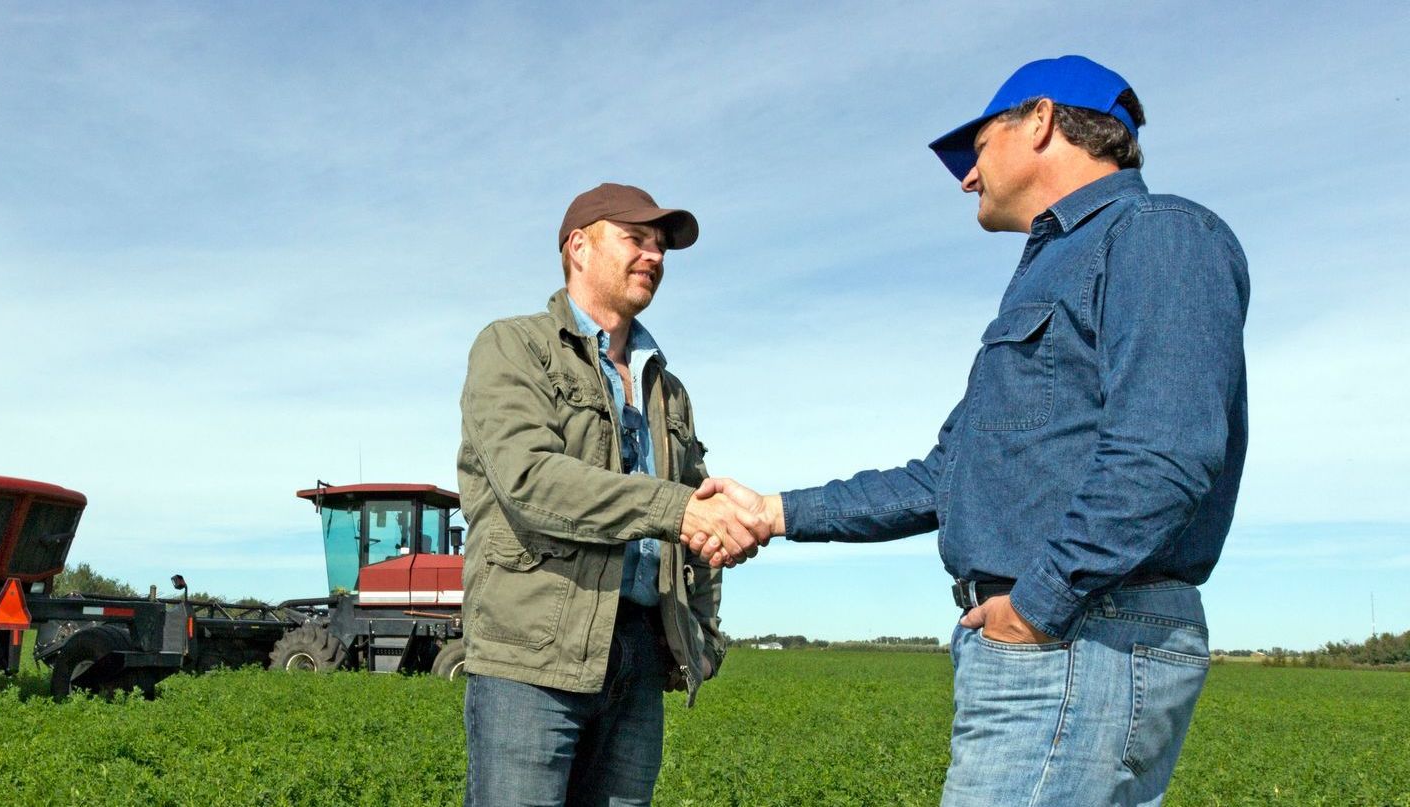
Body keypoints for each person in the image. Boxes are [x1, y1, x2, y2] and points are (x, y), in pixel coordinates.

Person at [695, 56, 1249, 806]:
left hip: (1083, 635)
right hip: (1062, 637)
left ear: (1043, 120)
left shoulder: (1158, 234)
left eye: (977, 146)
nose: (965, 176)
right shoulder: (1052, 267)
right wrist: (775, 511)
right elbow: (943, 476)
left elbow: (1165, 451)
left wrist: (1037, 607)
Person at [456, 182, 769, 806]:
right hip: (533, 655)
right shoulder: (515, 347)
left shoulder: (668, 389)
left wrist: (701, 626)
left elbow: (696, 505)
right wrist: (679, 510)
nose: (653, 255)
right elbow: (530, 481)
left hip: (638, 651)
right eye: (636, 239)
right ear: (578, 246)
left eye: (661, 246)